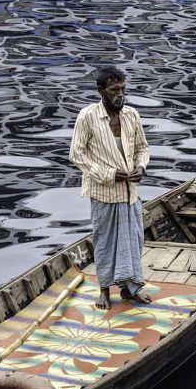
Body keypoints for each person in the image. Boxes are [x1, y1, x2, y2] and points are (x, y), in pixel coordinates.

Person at [69, 66, 153, 310]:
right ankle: (104, 290)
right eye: (115, 90)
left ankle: (130, 289)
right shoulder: (87, 116)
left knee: (134, 241)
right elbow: (77, 154)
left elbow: (142, 148)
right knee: (104, 241)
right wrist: (107, 174)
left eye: (123, 89)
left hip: (130, 193)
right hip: (103, 192)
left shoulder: (131, 115)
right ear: (101, 91)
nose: (121, 94)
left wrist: (141, 167)